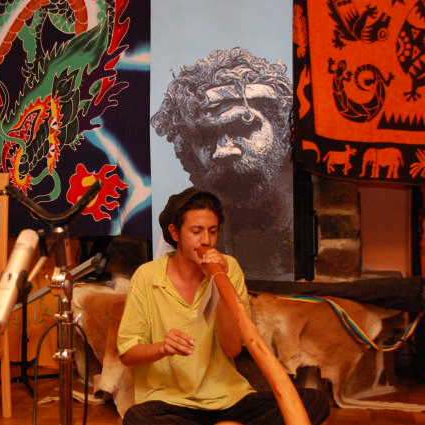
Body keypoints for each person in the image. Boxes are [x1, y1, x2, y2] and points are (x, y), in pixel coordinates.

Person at [117, 187, 330, 425]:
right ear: (175, 233)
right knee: (137, 418)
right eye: (196, 231)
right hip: (170, 403)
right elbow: (127, 354)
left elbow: (232, 349)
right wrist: (163, 348)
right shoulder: (147, 276)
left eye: (213, 231)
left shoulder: (229, 269)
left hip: (230, 401)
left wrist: (216, 283)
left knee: (313, 401)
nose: (206, 240)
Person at [150, 47, 294, 280]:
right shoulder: (185, 214)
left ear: (279, 129)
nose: (223, 151)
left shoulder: (311, 206)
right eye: (205, 137)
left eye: (242, 127)